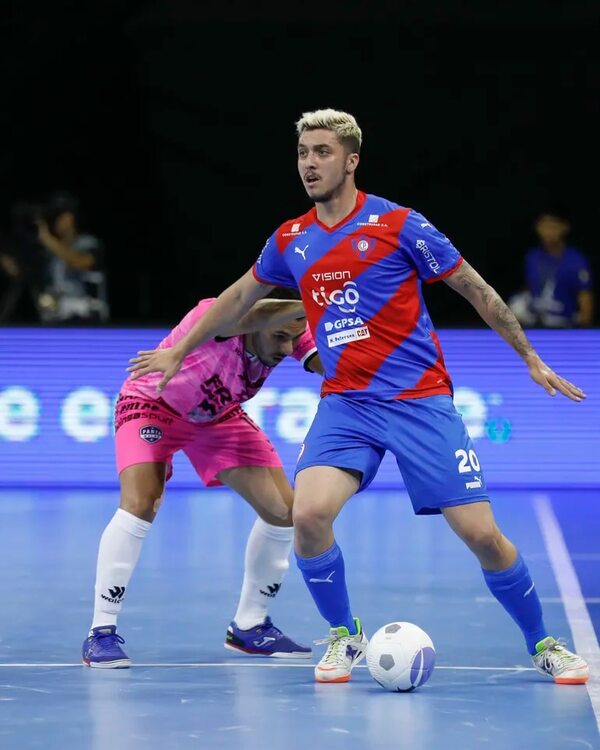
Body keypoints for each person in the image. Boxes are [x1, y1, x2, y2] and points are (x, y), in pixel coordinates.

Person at [128, 108, 589, 686]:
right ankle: (345, 635)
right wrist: (177, 349)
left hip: (420, 401)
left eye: (321, 152)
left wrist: (528, 356)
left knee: (480, 535)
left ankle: (543, 642)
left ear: (351, 161)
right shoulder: (291, 239)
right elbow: (238, 297)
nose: (309, 164)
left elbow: (474, 287)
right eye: (302, 153)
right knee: (310, 515)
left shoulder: (399, 225)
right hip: (347, 404)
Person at [82, 289, 323, 668]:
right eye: (280, 337)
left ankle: (249, 626)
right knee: (141, 502)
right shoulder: (217, 315)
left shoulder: (292, 325)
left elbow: (328, 364)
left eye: (294, 337)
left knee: (284, 512)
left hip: (217, 417)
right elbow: (253, 313)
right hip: (153, 404)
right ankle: (101, 633)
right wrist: (323, 297)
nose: (287, 346)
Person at [508, 207, 594, 328]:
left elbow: (586, 303)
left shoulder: (576, 261)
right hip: (535, 323)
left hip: (563, 325)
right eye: (544, 226)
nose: (548, 231)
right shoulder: (532, 257)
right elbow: (529, 289)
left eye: (552, 226)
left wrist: (581, 331)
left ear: (564, 227)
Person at [35, 190, 110, 323]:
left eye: (60, 215)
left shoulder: (89, 243)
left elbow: (80, 262)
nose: (56, 221)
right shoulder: (50, 250)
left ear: (72, 217)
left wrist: (47, 239)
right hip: (56, 319)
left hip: (88, 319)